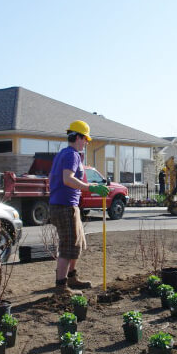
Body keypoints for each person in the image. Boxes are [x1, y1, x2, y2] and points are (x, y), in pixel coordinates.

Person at [49, 120, 109, 295]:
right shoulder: (72, 155)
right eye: (86, 139)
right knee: (68, 246)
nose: (87, 142)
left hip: (67, 205)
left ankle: (71, 277)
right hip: (64, 206)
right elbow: (68, 179)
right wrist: (91, 187)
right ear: (78, 137)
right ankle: (61, 286)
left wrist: (90, 185)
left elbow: (66, 180)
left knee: (77, 243)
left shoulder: (64, 154)